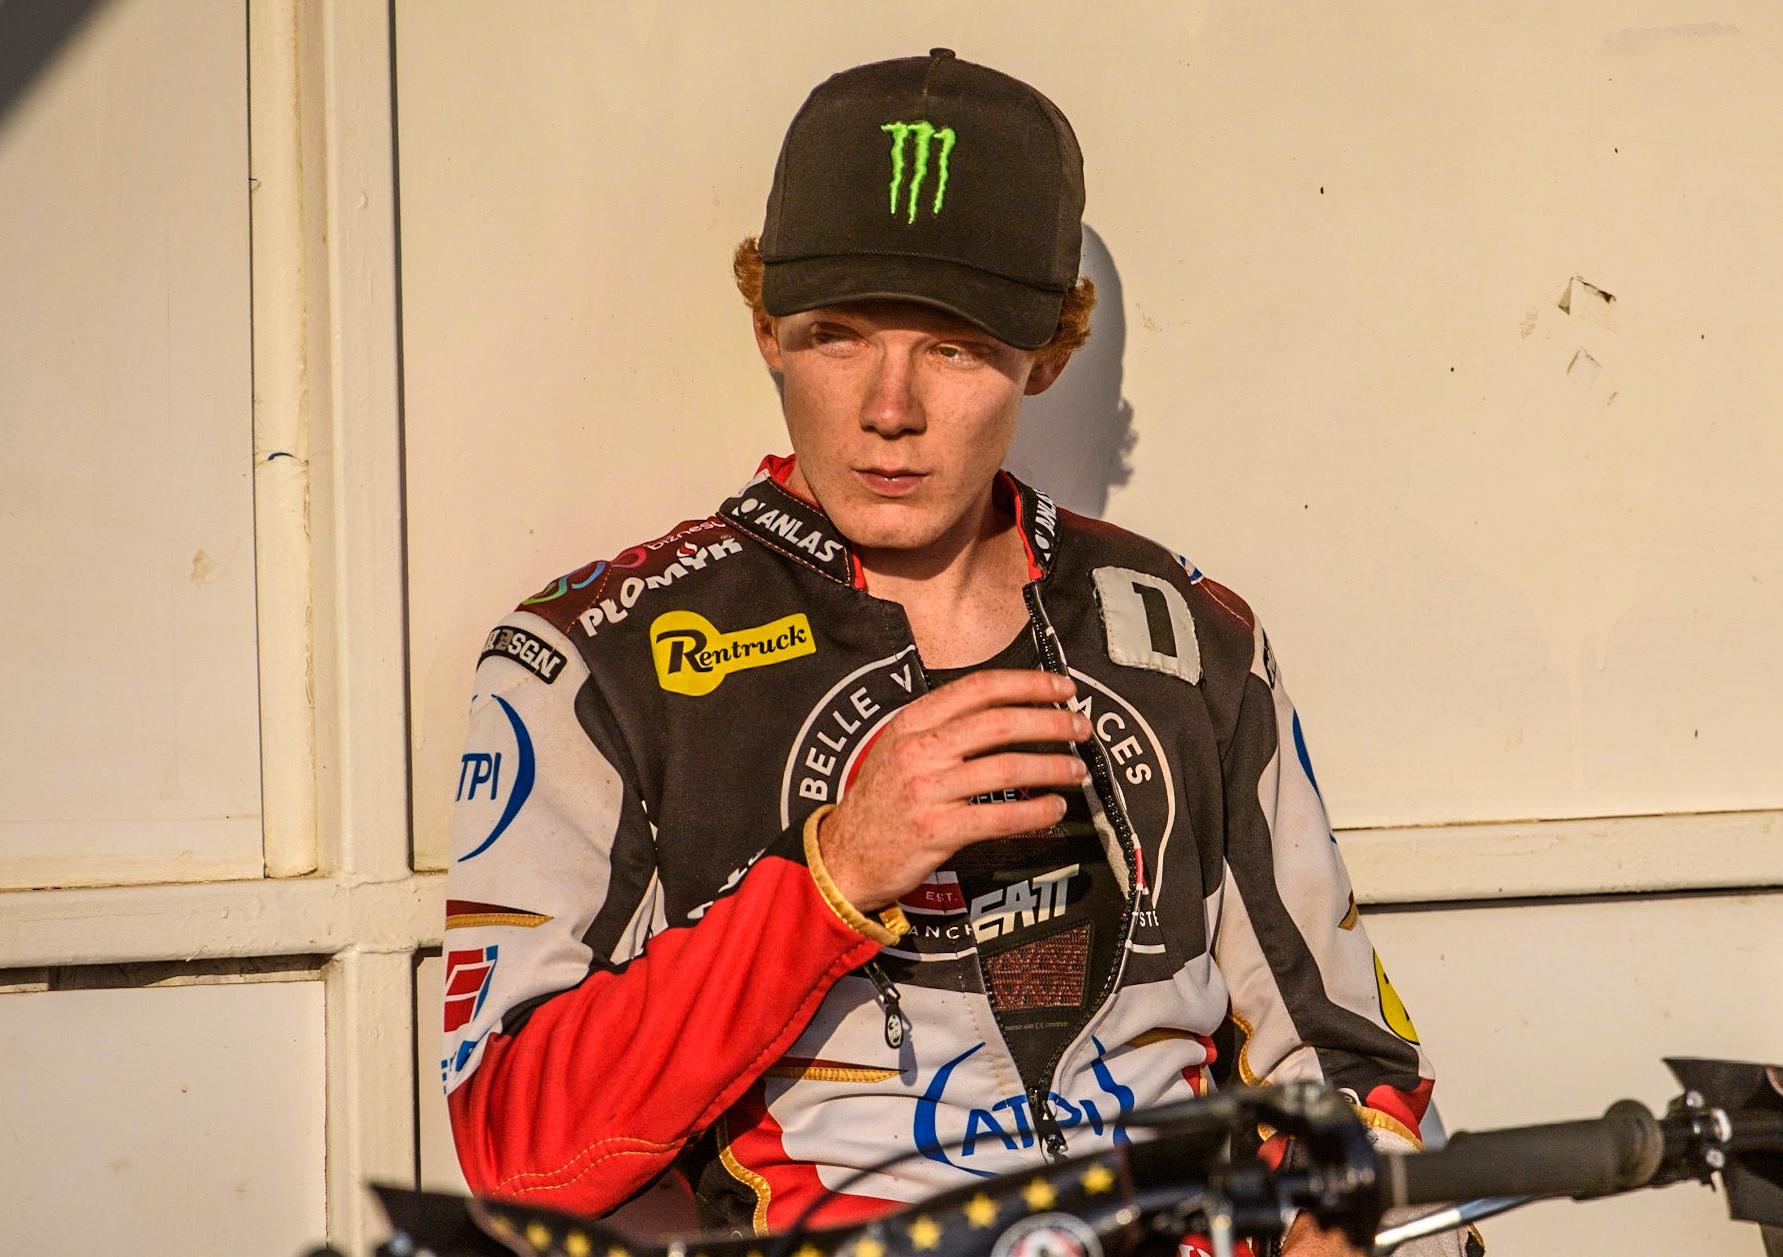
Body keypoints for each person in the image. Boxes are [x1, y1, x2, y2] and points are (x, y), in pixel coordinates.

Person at [441, 50, 1468, 1257]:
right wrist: (832, 872)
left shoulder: (1192, 637)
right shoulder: (589, 661)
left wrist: (1342, 1216)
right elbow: (521, 1152)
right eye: (836, 335)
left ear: (1049, 355)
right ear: (765, 326)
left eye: (956, 346)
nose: (889, 406)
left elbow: (1351, 1064)